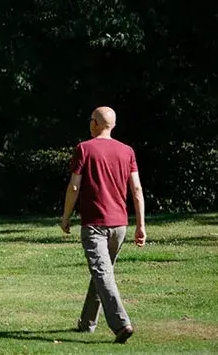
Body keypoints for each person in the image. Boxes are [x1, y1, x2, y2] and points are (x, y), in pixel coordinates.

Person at [60, 106, 146, 344]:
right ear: (113, 125)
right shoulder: (127, 151)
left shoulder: (84, 149)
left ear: (95, 124)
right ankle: (87, 323)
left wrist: (66, 217)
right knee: (102, 273)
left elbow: (74, 187)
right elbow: (136, 190)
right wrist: (140, 225)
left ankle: (121, 324)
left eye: (91, 120)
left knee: (103, 274)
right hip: (120, 226)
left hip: (95, 224)